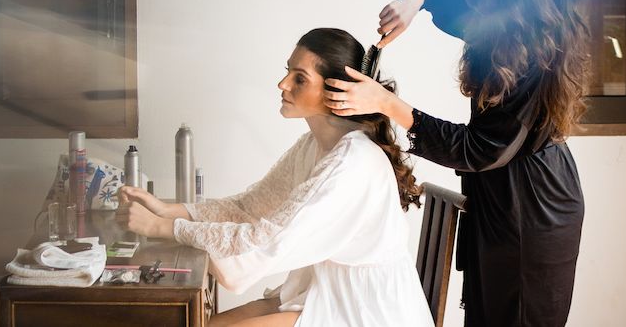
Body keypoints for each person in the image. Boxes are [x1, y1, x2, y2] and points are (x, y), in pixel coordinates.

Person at [324, 0, 589, 327]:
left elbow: (479, 149)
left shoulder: (540, 52)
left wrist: (388, 104)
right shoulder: (494, 4)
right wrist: (410, 3)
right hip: (500, 194)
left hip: (534, 209)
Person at [117, 28, 434, 327]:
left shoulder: (351, 164)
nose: (283, 84)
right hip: (326, 292)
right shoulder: (315, 145)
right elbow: (251, 206)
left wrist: (164, 228)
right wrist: (169, 210)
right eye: (288, 72)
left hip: (367, 312)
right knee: (207, 323)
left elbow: (261, 243)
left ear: (336, 92)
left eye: (299, 79)